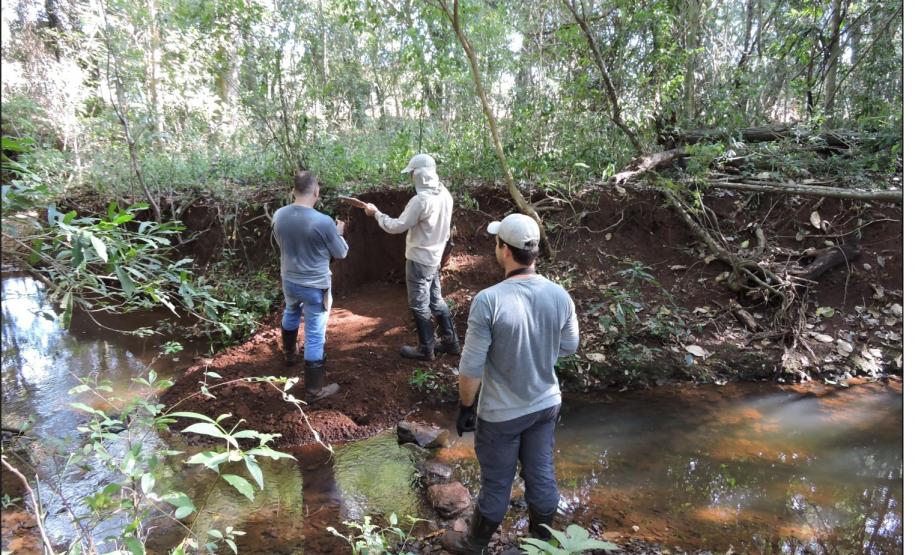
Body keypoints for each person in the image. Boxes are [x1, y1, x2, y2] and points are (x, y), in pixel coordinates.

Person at [442, 213, 579, 554]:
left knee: (497, 483)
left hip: (502, 414)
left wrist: (466, 407)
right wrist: (537, 355)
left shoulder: (489, 300)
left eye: (496, 241)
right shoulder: (559, 294)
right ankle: (540, 544)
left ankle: (473, 545)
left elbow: (471, 366)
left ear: (504, 249)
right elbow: (569, 346)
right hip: (546, 404)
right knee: (541, 474)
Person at [362, 153, 460, 361]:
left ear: (419, 175)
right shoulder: (445, 195)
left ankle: (426, 349)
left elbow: (396, 226)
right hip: (435, 258)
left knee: (419, 304)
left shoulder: (421, 201)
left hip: (418, 260)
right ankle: (451, 342)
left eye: (412, 173)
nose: (410, 178)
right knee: (436, 300)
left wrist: (376, 213)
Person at [272, 171, 349, 401]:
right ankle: (314, 390)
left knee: (291, 310)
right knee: (315, 333)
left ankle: (289, 353)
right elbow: (341, 253)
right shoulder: (323, 221)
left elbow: (280, 242)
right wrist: (338, 233)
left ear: (293, 190)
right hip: (315, 286)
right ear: (316, 191)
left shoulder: (279, 214)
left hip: (289, 279)